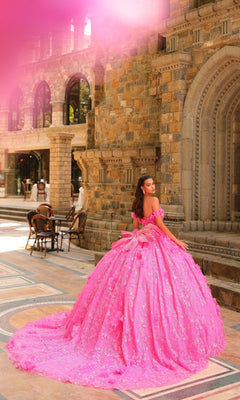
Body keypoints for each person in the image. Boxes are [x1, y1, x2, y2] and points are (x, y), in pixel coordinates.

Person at [6, 175, 225, 390]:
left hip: (139, 242)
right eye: (149, 185)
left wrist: (135, 240)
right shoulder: (155, 202)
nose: (153, 187)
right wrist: (176, 241)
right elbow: (159, 225)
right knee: (156, 289)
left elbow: (135, 228)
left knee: (131, 286)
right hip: (154, 242)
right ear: (142, 187)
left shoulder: (138, 203)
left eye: (153, 184)